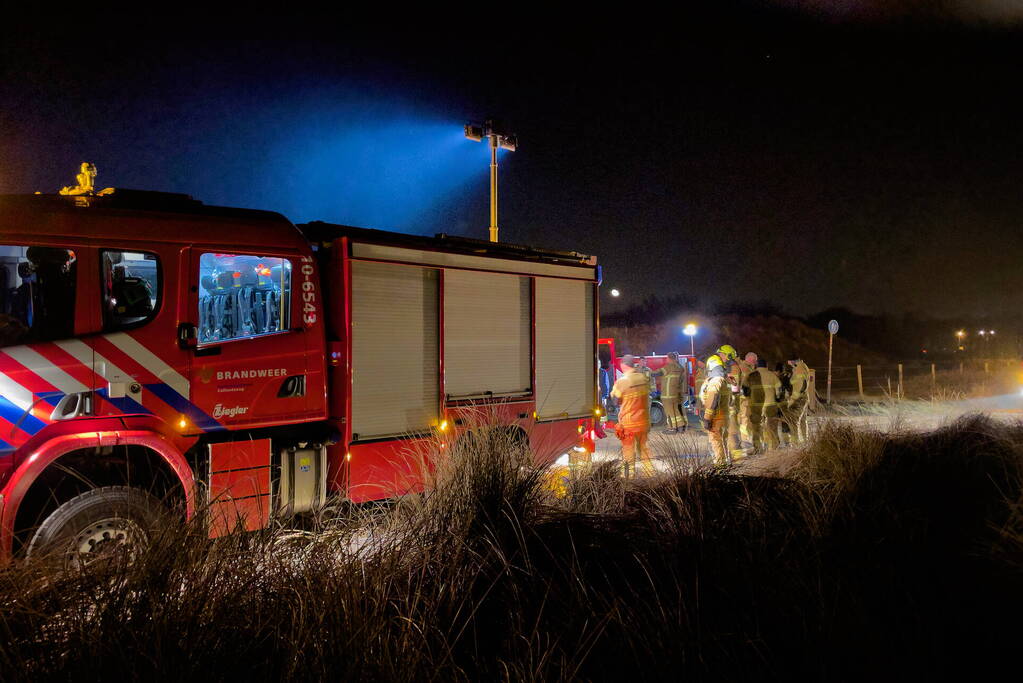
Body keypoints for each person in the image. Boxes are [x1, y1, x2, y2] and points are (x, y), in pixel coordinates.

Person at [611, 354, 654, 477]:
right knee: (644, 449)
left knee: (628, 450)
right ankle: (649, 474)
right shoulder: (643, 378)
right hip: (644, 421)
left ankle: (629, 476)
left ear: (624, 365)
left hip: (629, 423)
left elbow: (615, 401)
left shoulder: (622, 381)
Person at [698, 354, 731, 468]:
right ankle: (726, 460)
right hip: (724, 415)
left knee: (716, 441)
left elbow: (713, 398)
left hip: (716, 417)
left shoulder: (715, 381)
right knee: (723, 440)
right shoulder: (723, 379)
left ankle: (720, 465)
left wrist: (707, 418)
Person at [744, 359, 782, 453]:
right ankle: (775, 448)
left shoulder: (750, 375)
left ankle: (758, 448)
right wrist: (777, 398)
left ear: (756, 366)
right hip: (771, 405)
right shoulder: (772, 375)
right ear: (766, 366)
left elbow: (745, 389)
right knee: (772, 427)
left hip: (756, 405)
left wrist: (750, 397)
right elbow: (779, 389)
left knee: (756, 427)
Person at [652, 351, 687, 433]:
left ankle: (672, 428)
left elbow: (656, 373)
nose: (666, 359)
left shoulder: (668, 367)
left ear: (669, 358)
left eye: (667, 358)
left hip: (667, 394)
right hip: (675, 394)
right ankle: (680, 427)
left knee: (669, 412)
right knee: (675, 410)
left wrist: (646, 372)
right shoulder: (680, 368)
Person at [783, 354, 811, 444]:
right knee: (802, 420)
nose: (789, 364)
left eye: (789, 362)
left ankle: (795, 444)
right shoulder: (801, 366)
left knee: (793, 421)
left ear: (793, 360)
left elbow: (800, 385)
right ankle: (805, 441)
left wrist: (792, 400)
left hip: (798, 399)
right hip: (804, 397)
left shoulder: (799, 369)